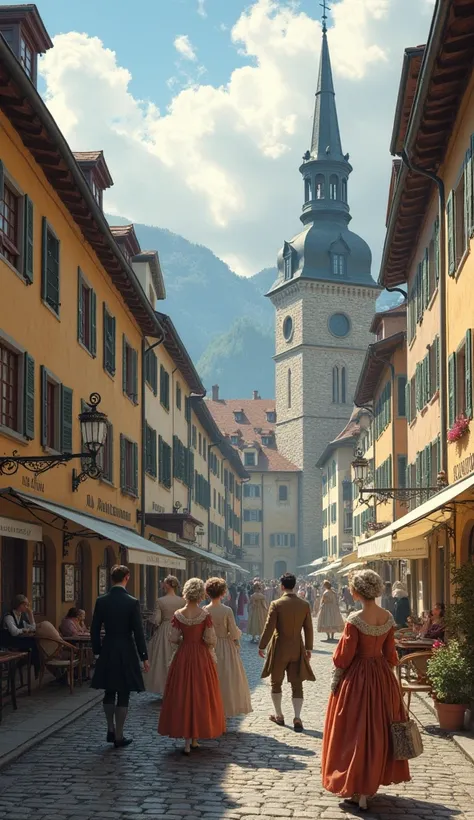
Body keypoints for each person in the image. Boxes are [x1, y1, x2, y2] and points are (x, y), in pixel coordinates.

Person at [322, 569, 410, 811]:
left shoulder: (354, 619)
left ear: (357, 591)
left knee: (354, 731)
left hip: (357, 679)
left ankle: (357, 786)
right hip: (381, 677)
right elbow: (391, 655)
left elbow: (344, 657)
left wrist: (337, 679)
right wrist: (387, 676)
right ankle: (368, 786)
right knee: (377, 730)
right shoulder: (388, 617)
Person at [158, 578, 226, 754]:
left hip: (183, 655)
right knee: (199, 693)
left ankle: (188, 741)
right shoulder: (204, 615)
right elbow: (210, 639)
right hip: (200, 656)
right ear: (201, 594)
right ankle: (195, 737)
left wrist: (184, 641)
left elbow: (173, 638)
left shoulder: (178, 614)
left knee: (183, 693)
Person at [90, 565, 149, 749]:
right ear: (127, 578)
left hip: (108, 648)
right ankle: (119, 735)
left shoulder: (102, 601)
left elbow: (94, 629)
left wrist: (98, 650)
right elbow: (139, 632)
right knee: (123, 692)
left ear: (111, 579)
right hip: (126, 649)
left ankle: (110, 728)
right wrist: (144, 656)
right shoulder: (132, 602)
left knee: (109, 690)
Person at [259, 573, 315, 732]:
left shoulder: (276, 604)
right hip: (297, 647)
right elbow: (308, 628)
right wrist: (309, 648)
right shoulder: (304, 604)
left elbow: (269, 627)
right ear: (295, 586)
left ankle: (279, 715)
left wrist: (262, 645)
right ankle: (297, 717)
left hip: (279, 647)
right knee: (297, 684)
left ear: (282, 586)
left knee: (276, 682)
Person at [204, 577, 252, 718]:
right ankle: (224, 707)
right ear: (223, 593)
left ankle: (211, 707)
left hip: (209, 647)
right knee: (226, 678)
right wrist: (237, 638)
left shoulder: (204, 610)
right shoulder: (226, 610)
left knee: (211, 678)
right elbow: (233, 631)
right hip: (225, 646)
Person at [146, 575, 185, 696]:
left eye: (164, 583)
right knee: (178, 658)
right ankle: (178, 686)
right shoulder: (182, 601)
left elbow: (157, 620)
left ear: (168, 585)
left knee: (163, 658)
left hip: (164, 630)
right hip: (178, 629)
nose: (162, 585)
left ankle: (165, 686)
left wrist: (151, 620)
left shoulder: (160, 601)